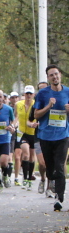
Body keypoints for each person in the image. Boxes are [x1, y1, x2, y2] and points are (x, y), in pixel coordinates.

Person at [34, 64, 69, 211]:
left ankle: (59, 198)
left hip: (63, 135)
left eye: (56, 74)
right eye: (51, 75)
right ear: (48, 78)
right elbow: (36, 114)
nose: (54, 77)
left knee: (60, 167)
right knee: (50, 168)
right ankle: (51, 180)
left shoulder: (68, 91)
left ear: (60, 74)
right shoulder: (43, 94)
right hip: (46, 135)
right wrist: (48, 106)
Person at [30, 82, 51, 196]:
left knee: (51, 163)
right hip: (39, 136)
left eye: (45, 89)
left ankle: (49, 187)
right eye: (40, 90)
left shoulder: (55, 103)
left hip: (52, 136)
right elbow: (29, 120)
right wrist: (32, 124)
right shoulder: (36, 105)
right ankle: (43, 178)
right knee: (42, 164)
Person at [14, 85, 36, 190]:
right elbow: (16, 116)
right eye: (27, 93)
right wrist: (13, 125)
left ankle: (30, 178)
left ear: (33, 95)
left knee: (32, 157)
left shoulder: (36, 104)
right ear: (24, 94)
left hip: (34, 133)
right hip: (23, 133)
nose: (28, 96)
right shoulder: (18, 104)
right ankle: (25, 178)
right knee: (25, 154)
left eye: (30, 94)